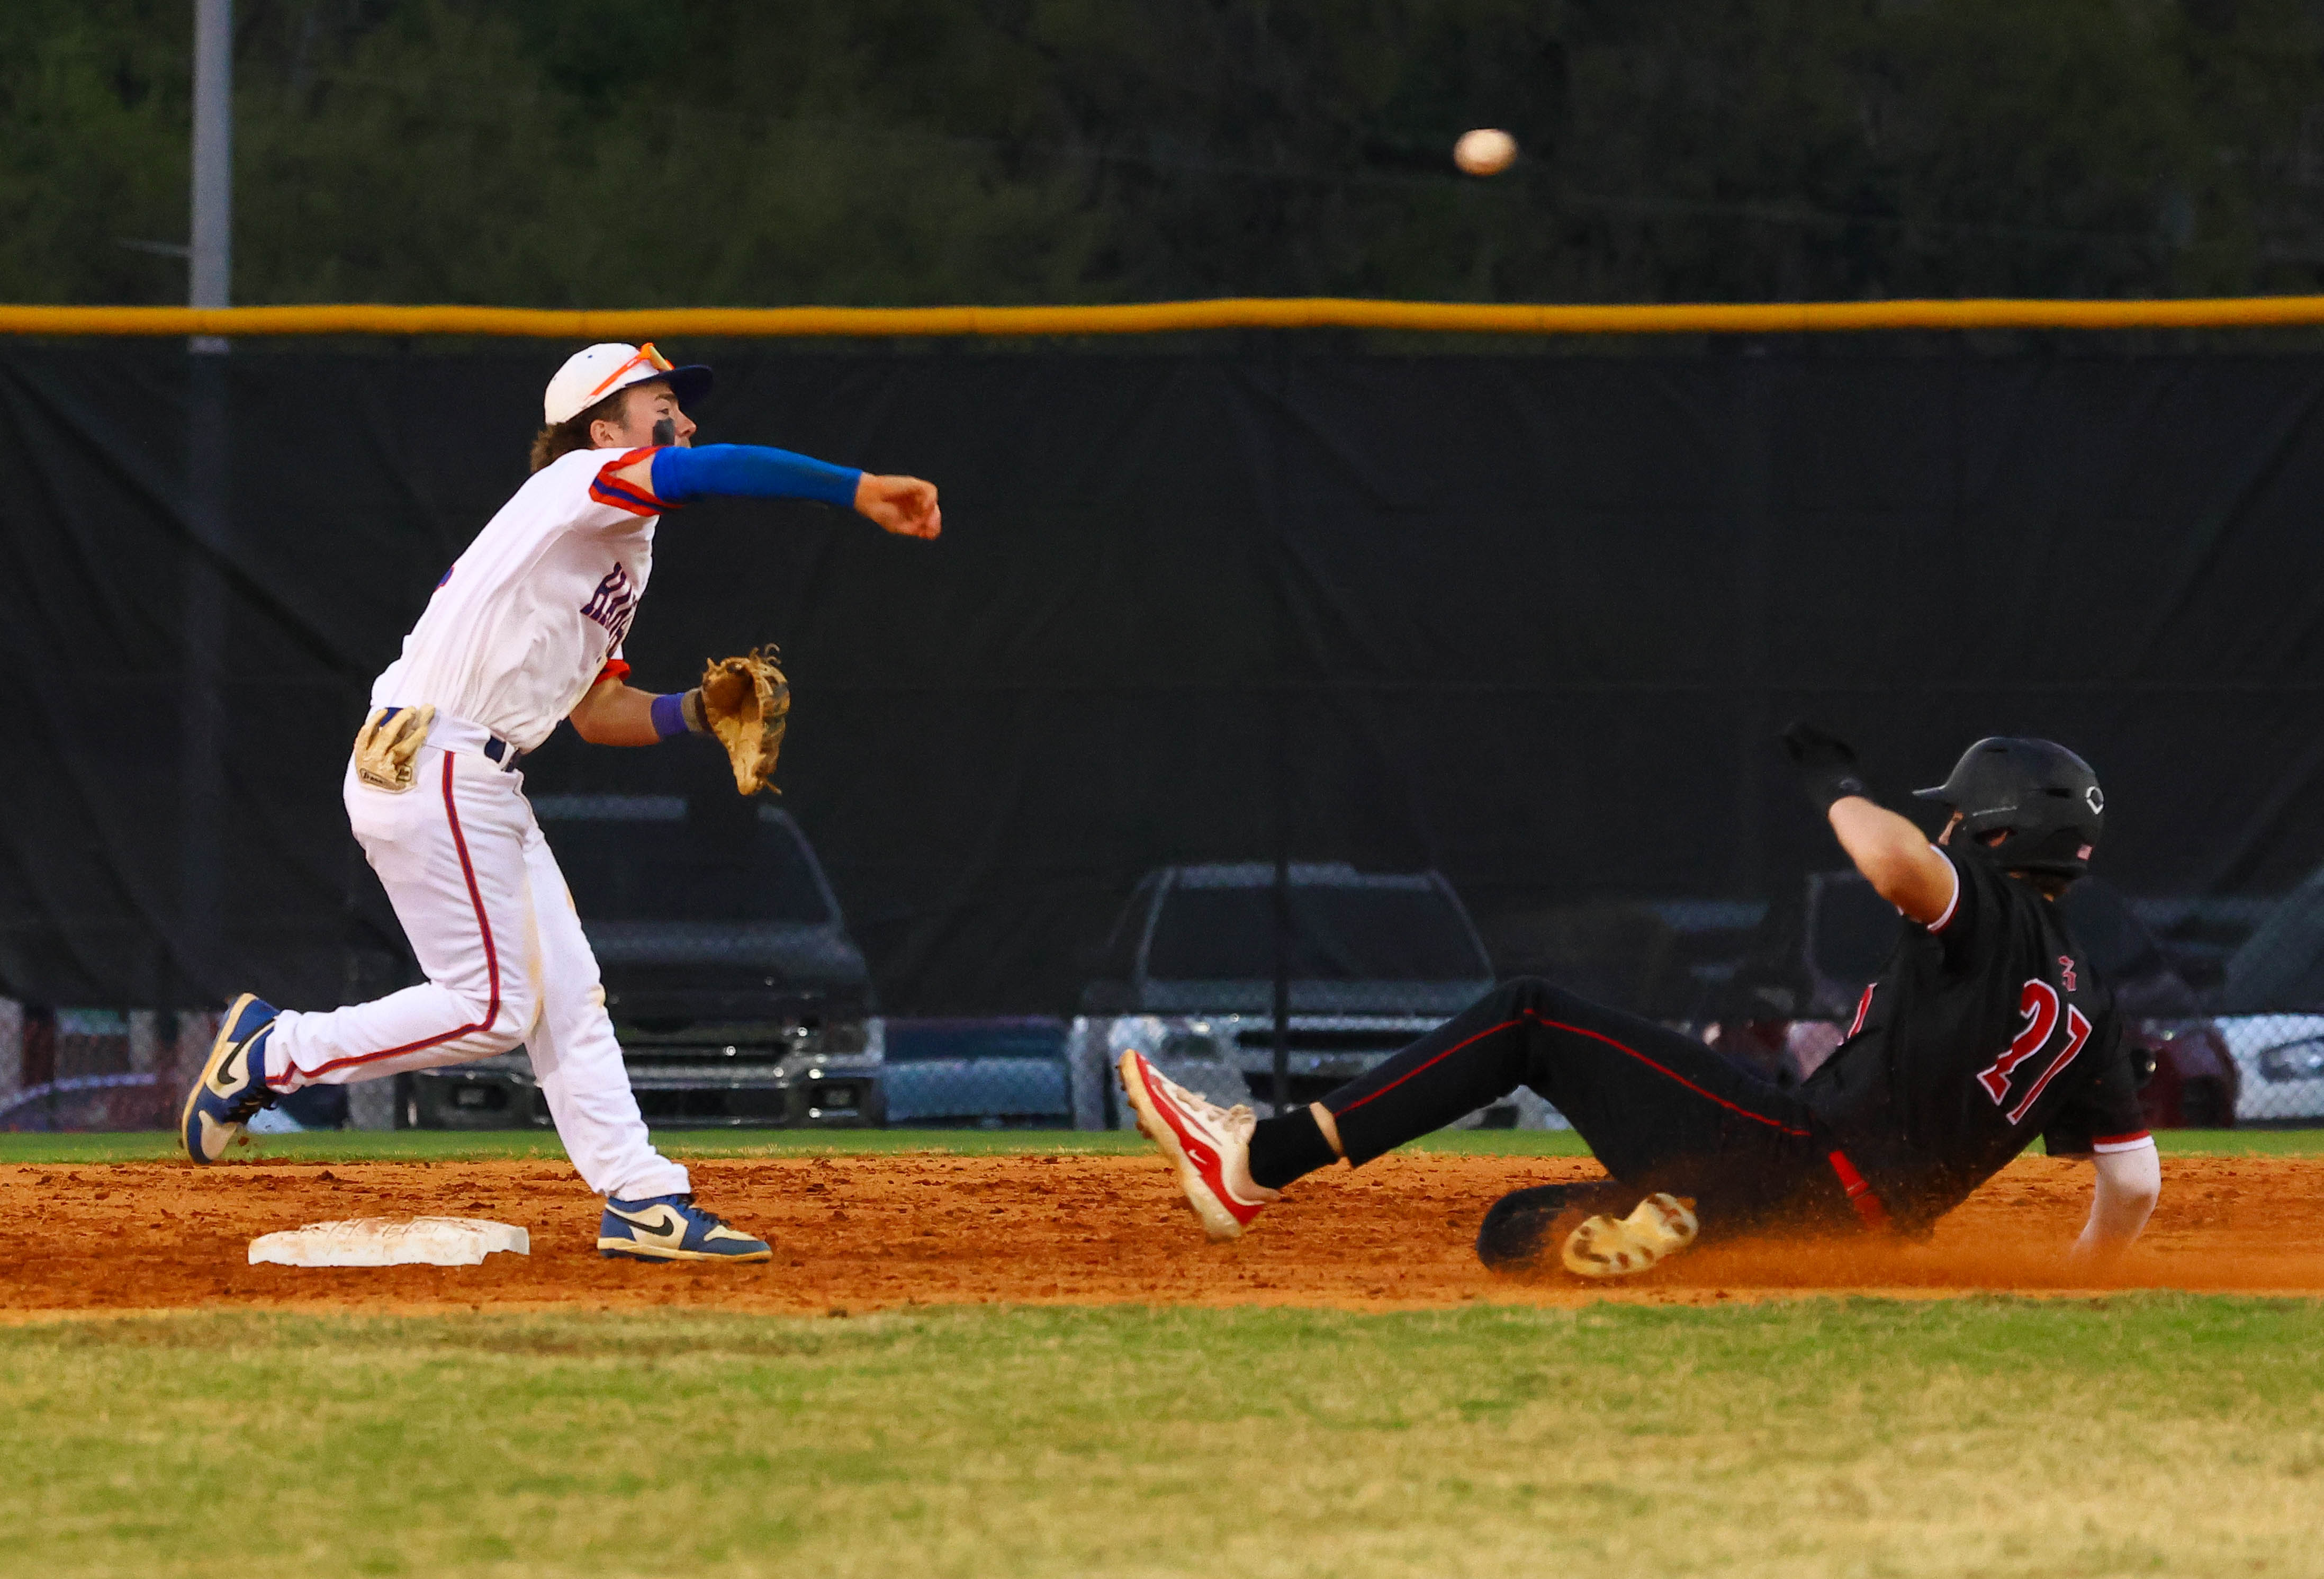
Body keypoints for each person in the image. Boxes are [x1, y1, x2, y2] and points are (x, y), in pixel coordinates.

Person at [179, 342, 940, 1263]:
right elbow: (719, 469)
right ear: (602, 425)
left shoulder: (614, 545)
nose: (685, 421)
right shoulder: (582, 482)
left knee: (568, 992)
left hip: (478, 773)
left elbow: (598, 713)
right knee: (493, 1007)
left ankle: (642, 1199)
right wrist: (854, 488)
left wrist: (698, 711)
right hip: (435, 754)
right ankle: (272, 1053)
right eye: (664, 403)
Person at [1120, 726, 2161, 1278]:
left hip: (1797, 1152)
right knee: (1514, 1233)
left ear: (1992, 838)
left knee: (1529, 1015)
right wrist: (2072, 1282)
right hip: (1861, 1229)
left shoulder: (1985, 906)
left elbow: (1895, 867)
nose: (1936, 832)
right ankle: (1691, 1222)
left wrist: (1836, 786)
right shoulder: (2094, 1006)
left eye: (1954, 820)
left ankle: (1255, 1162)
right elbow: (2132, 1187)